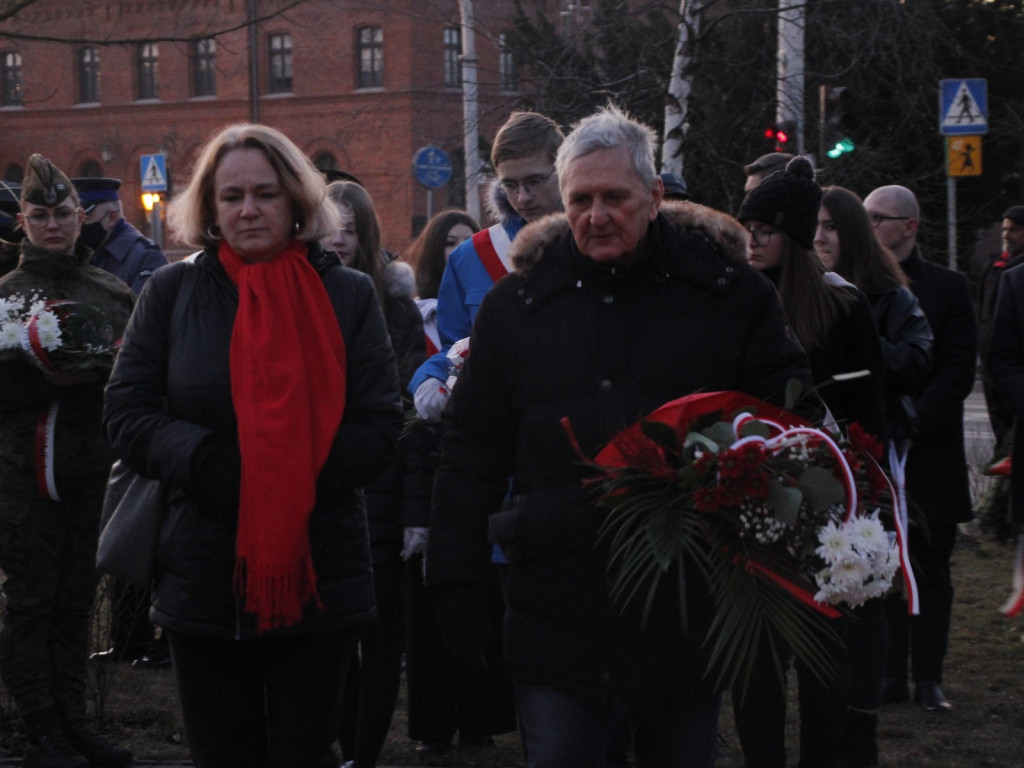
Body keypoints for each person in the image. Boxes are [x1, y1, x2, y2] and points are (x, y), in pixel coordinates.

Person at [425, 104, 816, 768]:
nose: (597, 215)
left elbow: (788, 423)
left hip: (684, 614)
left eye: (615, 198)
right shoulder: (518, 306)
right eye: (581, 199)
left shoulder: (727, 294)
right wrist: (456, 583)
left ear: (656, 195)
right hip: (555, 611)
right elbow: (472, 451)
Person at [102, 123, 403, 768]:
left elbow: (380, 424)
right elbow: (126, 413)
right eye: (231, 195)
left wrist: (285, 476)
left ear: (295, 200)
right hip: (202, 566)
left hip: (320, 569)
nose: (248, 210)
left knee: (304, 753)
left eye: (264, 193)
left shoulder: (345, 293)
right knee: (223, 753)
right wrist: (210, 462)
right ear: (209, 207)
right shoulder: (171, 292)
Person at [733, 156, 888, 768]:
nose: (750, 241)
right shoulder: (738, 301)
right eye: (746, 227)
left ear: (792, 237)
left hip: (830, 508)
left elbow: (867, 413)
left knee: (825, 650)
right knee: (757, 653)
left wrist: (855, 493)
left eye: (763, 230)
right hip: (750, 505)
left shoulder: (843, 308)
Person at [0, 155, 135, 768]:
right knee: (33, 603)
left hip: (93, 471)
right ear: (21, 222)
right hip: (25, 478)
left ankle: (73, 722)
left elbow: (135, 373)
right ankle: (41, 729)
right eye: (39, 215)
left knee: (78, 601)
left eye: (62, 214)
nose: (52, 225)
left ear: (82, 219)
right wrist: (53, 377)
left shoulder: (110, 290)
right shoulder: (8, 297)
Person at [863, 185, 977, 714]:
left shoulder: (949, 288)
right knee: (879, 565)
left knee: (931, 569)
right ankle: (889, 673)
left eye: (877, 218)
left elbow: (957, 368)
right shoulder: (856, 286)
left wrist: (914, 423)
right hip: (875, 451)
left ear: (908, 226)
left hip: (929, 453)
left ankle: (929, 676)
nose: (867, 226)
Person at [323, 180, 424, 768]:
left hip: (382, 499)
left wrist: (415, 515)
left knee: (381, 640)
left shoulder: (393, 309)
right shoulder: (301, 295)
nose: (338, 238)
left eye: (350, 227)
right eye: (328, 225)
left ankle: (364, 754)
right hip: (326, 494)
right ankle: (339, 744)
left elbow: (411, 420)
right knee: (333, 642)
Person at [73, 177, 172, 671]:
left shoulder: (145, 261)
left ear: (107, 217)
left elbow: (146, 341)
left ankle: (144, 637)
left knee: (136, 526)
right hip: (88, 416)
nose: (75, 226)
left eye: (82, 215)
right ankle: (120, 639)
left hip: (132, 416)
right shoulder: (80, 257)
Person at [409, 110, 565, 421]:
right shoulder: (471, 257)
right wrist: (429, 377)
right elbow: (455, 349)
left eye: (535, 181)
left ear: (564, 169)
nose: (523, 197)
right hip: (497, 433)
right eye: (510, 185)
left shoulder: (598, 238)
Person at [975, 206, 1024, 538]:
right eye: (1005, 228)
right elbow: (1001, 353)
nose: (1007, 234)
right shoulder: (1010, 276)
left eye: (1015, 229)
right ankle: (994, 522)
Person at [71, 177, 168, 294]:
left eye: (84, 218)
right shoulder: (77, 253)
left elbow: (144, 309)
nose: (77, 223)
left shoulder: (145, 257)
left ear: (111, 218)